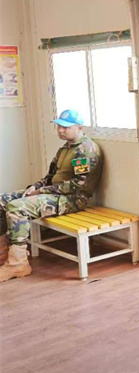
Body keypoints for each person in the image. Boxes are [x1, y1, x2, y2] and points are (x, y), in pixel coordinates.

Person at [0, 109, 103, 282]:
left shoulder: (86, 150)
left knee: (17, 207)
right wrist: (35, 186)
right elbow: (50, 177)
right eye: (59, 126)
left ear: (79, 127)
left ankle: (18, 263)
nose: (60, 130)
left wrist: (42, 191)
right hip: (55, 193)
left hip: (73, 199)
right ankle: (4, 251)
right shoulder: (64, 149)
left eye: (65, 127)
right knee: (2, 200)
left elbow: (79, 185)